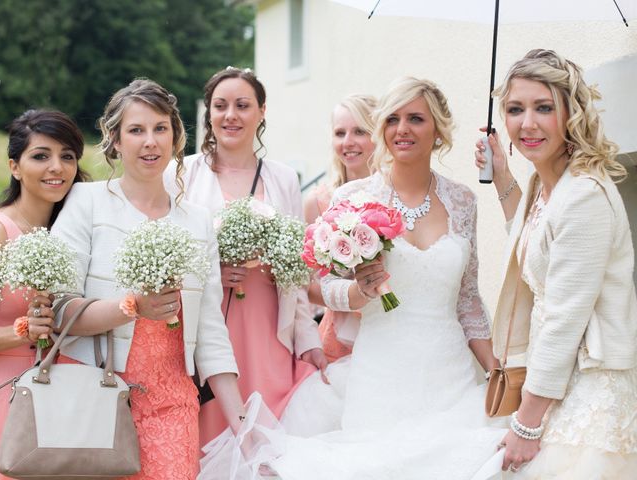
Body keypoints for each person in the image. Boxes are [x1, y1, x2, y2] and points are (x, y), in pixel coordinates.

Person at [199, 77, 507, 480]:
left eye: (416, 118)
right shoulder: (353, 199)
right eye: (393, 119)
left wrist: (495, 371)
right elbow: (320, 286)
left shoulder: (464, 200)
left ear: (438, 131)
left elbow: (468, 301)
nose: (403, 129)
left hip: (452, 374)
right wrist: (358, 293)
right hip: (380, 374)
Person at [46, 79, 246, 480]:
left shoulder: (198, 221)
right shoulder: (85, 202)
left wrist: (244, 427)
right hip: (96, 396)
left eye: (160, 128)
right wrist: (133, 306)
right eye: (136, 130)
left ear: (176, 138)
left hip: (172, 402)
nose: (150, 142)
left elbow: (209, 329)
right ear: (115, 141)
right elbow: (59, 310)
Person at [475, 49, 637, 478]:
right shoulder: (545, 186)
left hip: (589, 388)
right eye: (515, 109)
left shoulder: (583, 194)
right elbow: (533, 247)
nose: (527, 123)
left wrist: (526, 423)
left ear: (571, 113)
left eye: (543, 107)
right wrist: (503, 177)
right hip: (557, 385)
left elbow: (566, 317)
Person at [163, 67, 326, 446]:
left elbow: (296, 271)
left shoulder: (283, 178)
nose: (230, 115)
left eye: (242, 105)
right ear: (209, 113)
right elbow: (168, 250)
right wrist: (213, 270)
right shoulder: (180, 173)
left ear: (261, 112)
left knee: (269, 435)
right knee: (211, 431)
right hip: (208, 323)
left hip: (269, 325)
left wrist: (308, 339)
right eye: (220, 106)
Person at [0, 110, 88, 479]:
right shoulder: (1, 232)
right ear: (14, 167)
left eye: (67, 156)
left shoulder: (76, 234)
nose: (57, 167)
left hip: (67, 400)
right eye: (41, 155)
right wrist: (23, 330)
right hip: (6, 395)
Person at [303, 94, 376, 363]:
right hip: (338, 341)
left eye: (360, 131)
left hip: (390, 333)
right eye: (339, 133)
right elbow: (304, 284)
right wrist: (351, 296)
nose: (348, 142)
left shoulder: (395, 197)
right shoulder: (318, 202)